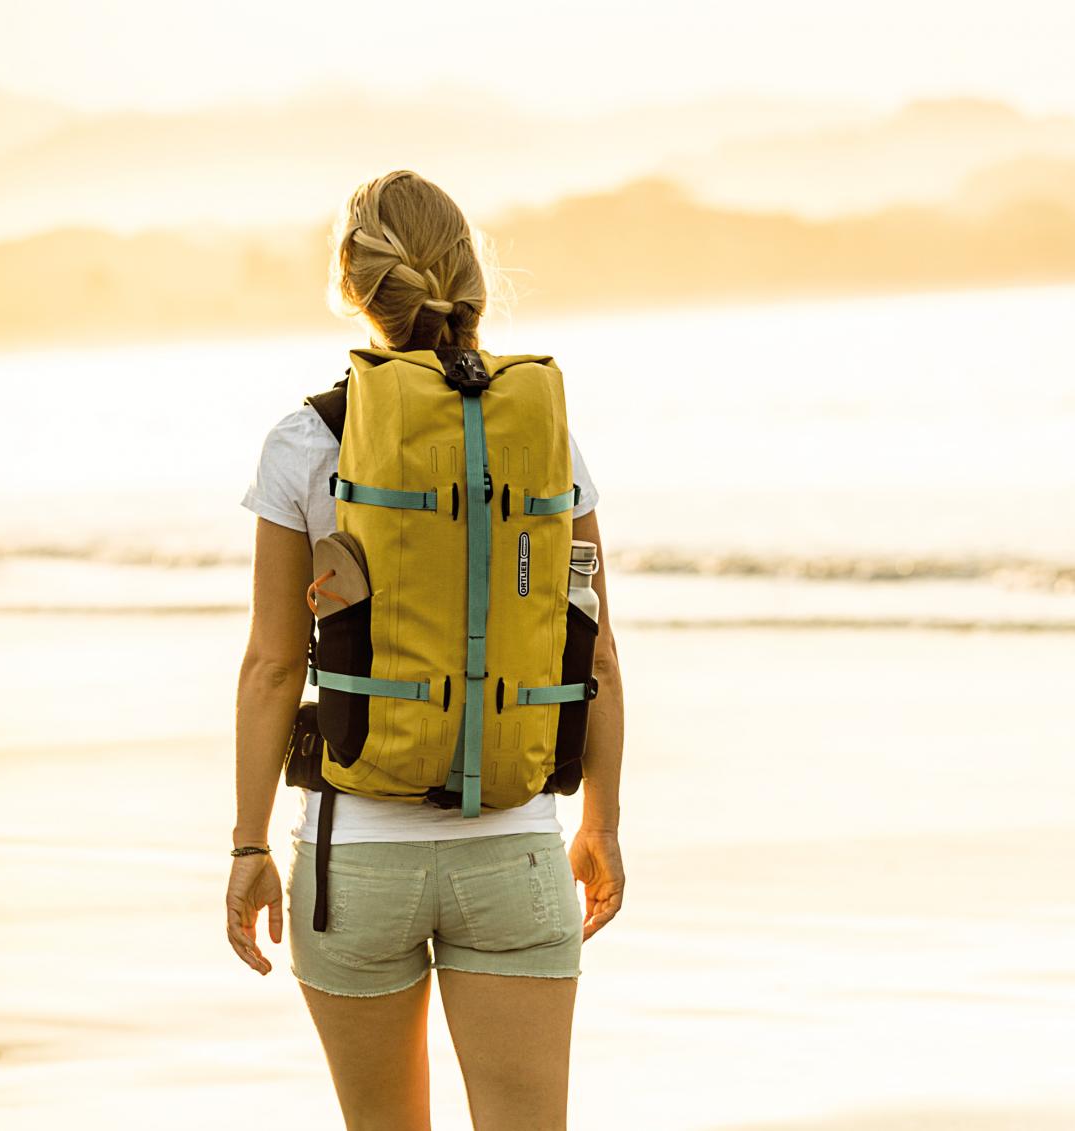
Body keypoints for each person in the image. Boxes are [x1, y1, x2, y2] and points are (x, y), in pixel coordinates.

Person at [223, 169, 625, 1131]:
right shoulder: (543, 436)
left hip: (353, 860)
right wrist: (601, 823)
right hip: (517, 849)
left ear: (353, 284)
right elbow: (597, 656)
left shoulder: (309, 439)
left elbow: (275, 666)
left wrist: (247, 844)